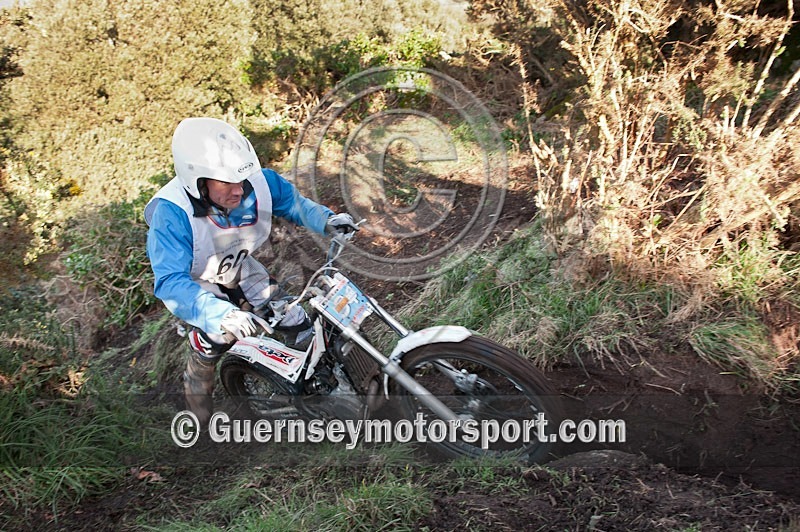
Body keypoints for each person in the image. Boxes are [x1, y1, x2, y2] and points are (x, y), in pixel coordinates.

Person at [144, 117, 358, 427]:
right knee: (218, 336)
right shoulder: (172, 212)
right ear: (197, 180)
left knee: (292, 317)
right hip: (196, 282)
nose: (238, 190)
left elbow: (294, 204)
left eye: (240, 180)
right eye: (226, 183)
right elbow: (170, 281)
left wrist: (327, 221)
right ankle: (198, 405)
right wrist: (217, 313)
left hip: (239, 264)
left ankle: (322, 383)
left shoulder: (258, 182)